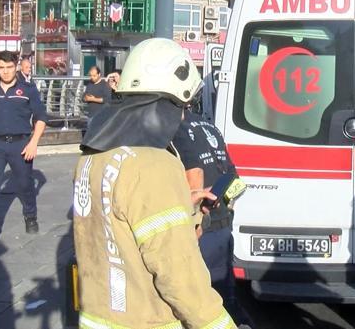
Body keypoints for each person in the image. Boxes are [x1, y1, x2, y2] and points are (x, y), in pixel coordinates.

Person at [72, 38, 236, 328]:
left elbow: (122, 225)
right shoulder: (154, 164)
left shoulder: (93, 157)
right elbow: (180, 277)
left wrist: (185, 206)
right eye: (183, 105)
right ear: (173, 101)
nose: (184, 114)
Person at [170, 108, 251, 326]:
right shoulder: (211, 127)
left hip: (201, 229)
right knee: (226, 296)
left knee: (200, 301)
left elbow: (193, 174)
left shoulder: (176, 130)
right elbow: (235, 179)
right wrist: (220, 201)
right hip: (223, 225)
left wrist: (199, 202)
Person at [0, 51, 47, 254]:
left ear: (15, 66)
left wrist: (33, 143)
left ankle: (30, 215)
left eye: (9, 67)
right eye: (1, 68)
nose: (5, 71)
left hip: (20, 145)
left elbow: (40, 117)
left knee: (24, 185)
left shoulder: (28, 89)